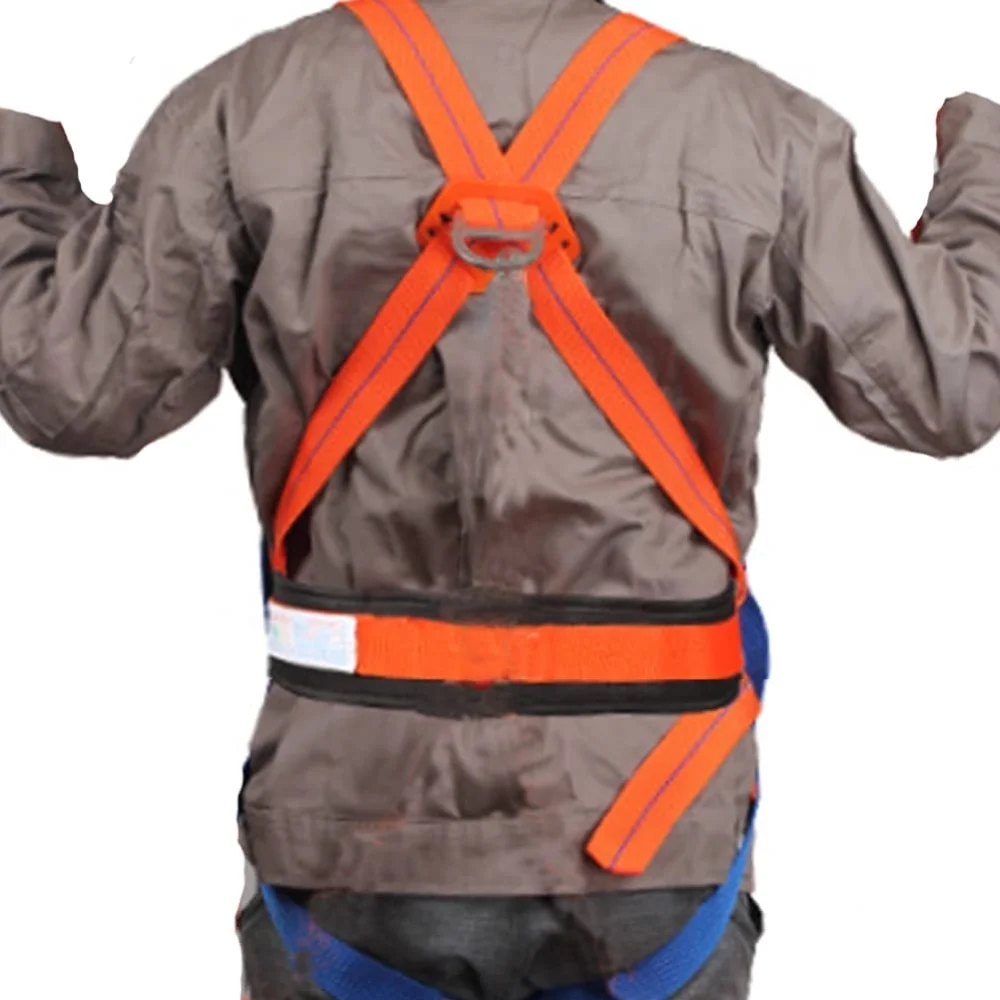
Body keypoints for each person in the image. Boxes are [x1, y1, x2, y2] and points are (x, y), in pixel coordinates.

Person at [1, 1, 998, 998]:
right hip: (650, 833)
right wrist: (986, 167)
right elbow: (947, 385)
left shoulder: (247, 105)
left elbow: (77, 390)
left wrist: (17, 177)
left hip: (352, 825)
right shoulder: (753, 125)